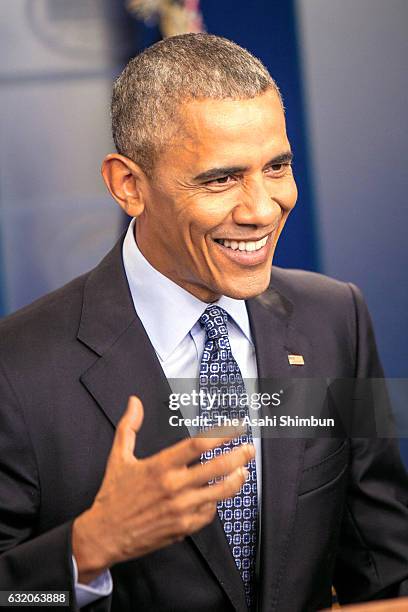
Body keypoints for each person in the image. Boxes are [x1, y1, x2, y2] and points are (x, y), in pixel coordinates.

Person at [0, 33, 407, 612]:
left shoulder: (337, 319)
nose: (262, 209)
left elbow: (387, 567)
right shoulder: (15, 368)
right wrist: (88, 549)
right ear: (129, 186)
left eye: (277, 166)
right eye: (220, 179)